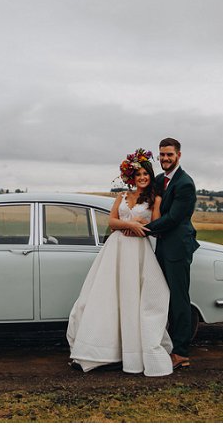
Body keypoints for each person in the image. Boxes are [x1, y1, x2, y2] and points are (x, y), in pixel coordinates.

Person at [66, 149, 174, 377]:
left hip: (137, 251)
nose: (142, 177)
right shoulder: (122, 197)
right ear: (131, 178)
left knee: (133, 297)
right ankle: (100, 350)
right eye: (138, 174)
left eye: (146, 173)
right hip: (116, 249)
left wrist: (139, 226)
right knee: (106, 296)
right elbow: (113, 222)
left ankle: (133, 354)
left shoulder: (155, 199)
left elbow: (154, 226)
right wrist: (130, 224)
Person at [125, 137, 198, 370]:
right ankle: (162, 344)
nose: (165, 158)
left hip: (177, 247)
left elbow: (174, 218)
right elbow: (144, 197)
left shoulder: (185, 183)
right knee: (161, 297)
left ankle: (181, 352)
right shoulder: (159, 179)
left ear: (179, 155)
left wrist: (141, 229)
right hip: (162, 246)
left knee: (179, 299)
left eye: (170, 155)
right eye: (162, 155)